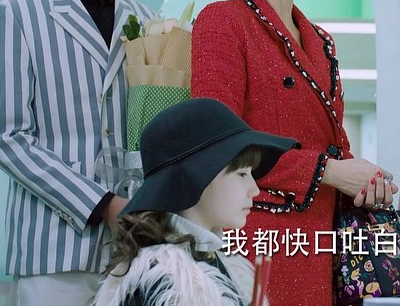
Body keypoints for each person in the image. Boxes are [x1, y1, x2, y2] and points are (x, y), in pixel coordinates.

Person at [191, 0, 396, 305]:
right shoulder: (223, 21)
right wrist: (329, 172)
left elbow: (333, 144)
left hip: (323, 244)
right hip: (260, 241)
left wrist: (362, 181)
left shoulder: (322, 42)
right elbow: (217, 142)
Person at [0, 0, 154, 305]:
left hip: (129, 253)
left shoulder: (149, 22)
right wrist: (101, 204)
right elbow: (8, 138)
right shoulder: (20, 14)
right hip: (51, 254)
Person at [93, 98, 297, 305]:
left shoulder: (220, 266)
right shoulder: (166, 284)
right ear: (199, 176)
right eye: (242, 174)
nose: (254, 190)